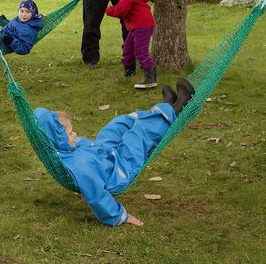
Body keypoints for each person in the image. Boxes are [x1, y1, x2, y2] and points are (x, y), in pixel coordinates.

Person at [34, 78, 195, 227]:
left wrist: (77, 141)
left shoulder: (60, 147)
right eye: (70, 134)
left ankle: (165, 108)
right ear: (58, 139)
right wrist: (118, 216)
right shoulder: (80, 167)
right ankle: (179, 106)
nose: (75, 135)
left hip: (102, 154)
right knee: (138, 134)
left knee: (117, 124)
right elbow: (97, 195)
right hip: (120, 168)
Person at [100, 0, 157, 89]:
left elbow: (121, 10)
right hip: (138, 25)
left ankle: (150, 77)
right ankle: (129, 70)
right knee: (128, 47)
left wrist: (109, 10)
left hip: (142, 25)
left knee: (141, 50)